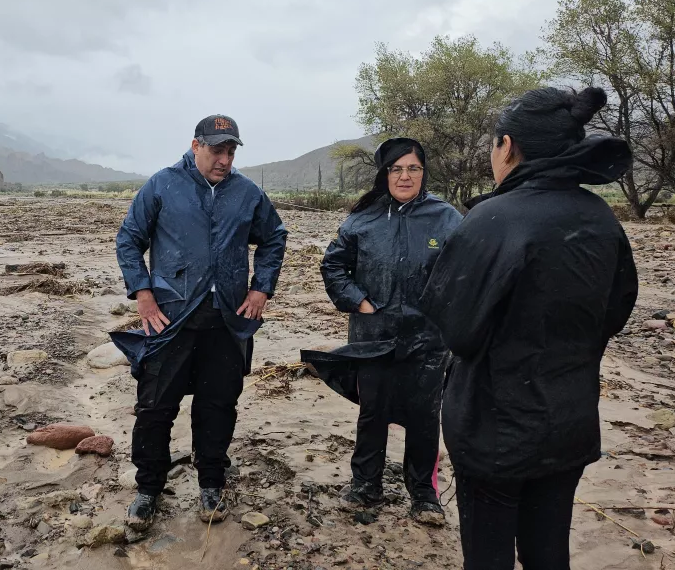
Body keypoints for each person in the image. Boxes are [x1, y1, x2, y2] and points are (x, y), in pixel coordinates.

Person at [419, 87, 638, 570]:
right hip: (570, 419)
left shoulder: (494, 218)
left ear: (508, 146)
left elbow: (457, 329)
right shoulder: (601, 218)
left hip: (497, 429)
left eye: (494, 146)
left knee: (488, 553)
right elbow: (616, 311)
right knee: (548, 549)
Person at [111, 114, 287, 532]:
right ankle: (148, 489)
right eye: (216, 149)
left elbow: (274, 237)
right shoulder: (162, 185)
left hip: (226, 320)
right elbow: (129, 239)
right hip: (170, 319)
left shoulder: (246, 193)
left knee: (218, 406)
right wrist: (143, 293)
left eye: (231, 151)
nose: (224, 159)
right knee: (155, 409)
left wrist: (260, 289)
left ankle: (211, 482)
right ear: (195, 145)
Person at [302, 137, 462, 526]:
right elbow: (333, 266)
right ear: (384, 174)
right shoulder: (363, 219)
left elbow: (464, 274)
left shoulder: (447, 218)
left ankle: (424, 494)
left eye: (413, 168)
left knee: (425, 416)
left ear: (424, 173)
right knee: (372, 413)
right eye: (396, 169)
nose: (405, 176)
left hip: (428, 340)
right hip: (373, 336)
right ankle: (365, 485)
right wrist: (359, 302)